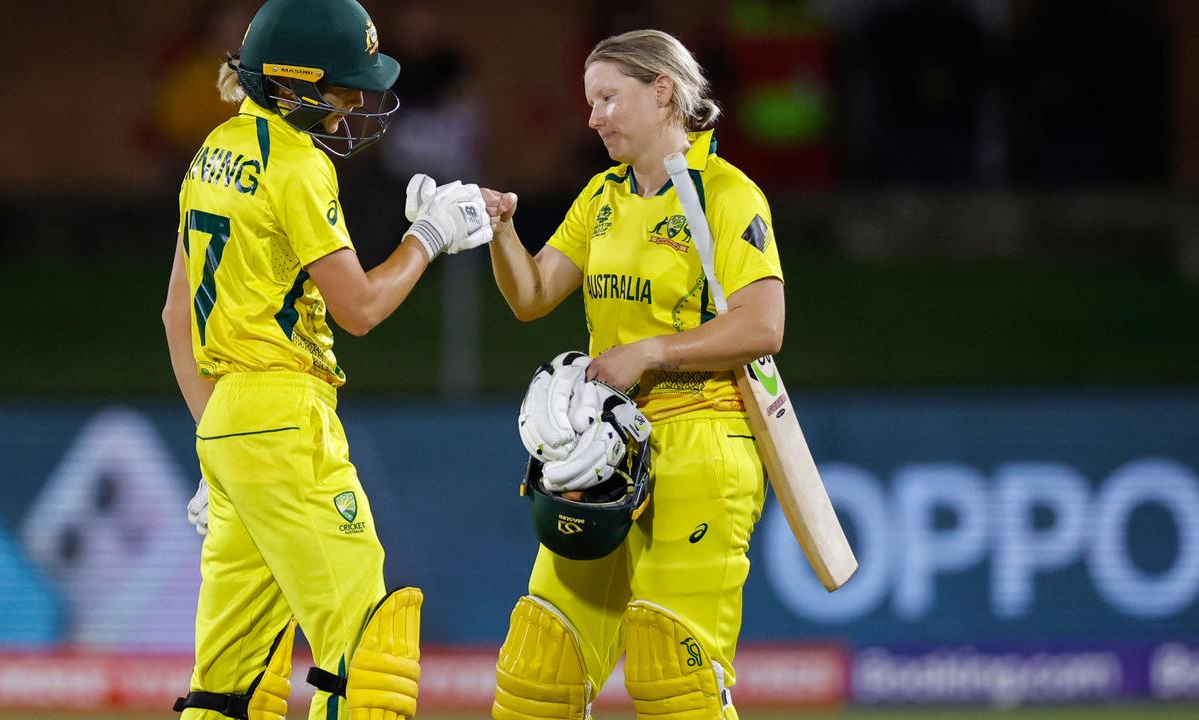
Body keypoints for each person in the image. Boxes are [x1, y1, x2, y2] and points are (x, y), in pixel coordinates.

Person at [160, 1, 491, 718]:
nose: (349, 109)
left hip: (229, 423)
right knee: (368, 650)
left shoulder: (210, 152)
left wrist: (219, 441)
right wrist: (430, 236)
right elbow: (362, 308)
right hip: (285, 418)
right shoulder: (298, 165)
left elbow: (173, 317)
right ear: (295, 83)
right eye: (342, 88)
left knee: (227, 685)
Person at [484, 28, 784, 720]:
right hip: (607, 455)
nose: (593, 118)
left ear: (663, 92)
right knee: (538, 673)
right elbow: (531, 296)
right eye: (590, 103)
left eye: (608, 99)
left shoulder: (726, 195)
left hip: (704, 443)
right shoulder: (602, 197)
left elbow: (763, 326)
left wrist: (651, 351)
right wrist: (502, 234)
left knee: (669, 678)